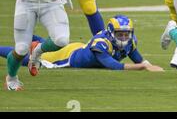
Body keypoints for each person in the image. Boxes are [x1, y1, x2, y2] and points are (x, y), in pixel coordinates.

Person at [0, 15, 163, 72]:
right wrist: (143, 67)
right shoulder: (101, 43)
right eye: (120, 34)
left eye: (126, 34)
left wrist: (149, 65)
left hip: (77, 48)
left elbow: (139, 59)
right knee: (27, 57)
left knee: (40, 43)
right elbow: (114, 66)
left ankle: (29, 37)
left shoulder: (130, 42)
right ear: (111, 32)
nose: (123, 38)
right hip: (66, 57)